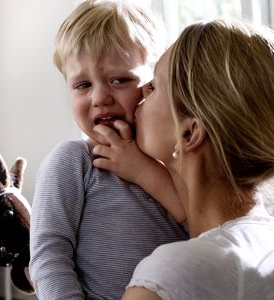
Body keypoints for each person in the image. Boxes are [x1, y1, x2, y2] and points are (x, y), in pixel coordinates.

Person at [93, 19, 274, 299]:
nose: (140, 92)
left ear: (189, 133)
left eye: (155, 86)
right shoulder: (271, 244)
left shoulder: (171, 274)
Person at [29, 1, 189, 299]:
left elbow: (205, 230)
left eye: (119, 80)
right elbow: (49, 256)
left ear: (153, 83)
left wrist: (144, 171)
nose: (100, 97)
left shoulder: (175, 159)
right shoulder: (73, 161)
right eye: (82, 85)